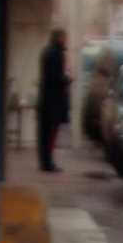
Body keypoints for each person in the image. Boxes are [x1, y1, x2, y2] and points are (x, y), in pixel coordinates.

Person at [37, 28, 70, 173]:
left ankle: (44, 161)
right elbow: (57, 78)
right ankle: (48, 163)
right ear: (59, 38)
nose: (66, 40)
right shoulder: (57, 54)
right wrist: (68, 80)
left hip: (45, 99)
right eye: (64, 37)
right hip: (54, 101)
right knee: (51, 133)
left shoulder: (45, 51)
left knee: (44, 133)